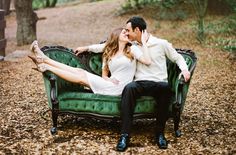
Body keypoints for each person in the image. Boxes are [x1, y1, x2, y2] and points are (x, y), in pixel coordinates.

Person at [75, 16, 190, 151]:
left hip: (159, 83)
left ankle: (160, 134)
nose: (127, 33)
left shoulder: (161, 43)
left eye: (128, 30)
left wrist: (185, 70)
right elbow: (106, 46)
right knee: (129, 88)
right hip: (139, 84)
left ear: (137, 30)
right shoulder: (132, 46)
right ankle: (124, 135)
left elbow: (177, 57)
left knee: (165, 89)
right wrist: (86, 47)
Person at [28, 28, 151, 96]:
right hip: (110, 83)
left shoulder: (132, 49)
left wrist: (144, 42)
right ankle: (44, 60)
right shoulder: (110, 51)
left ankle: (45, 65)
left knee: (81, 77)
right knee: (79, 71)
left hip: (120, 88)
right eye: (124, 32)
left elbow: (147, 61)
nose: (127, 34)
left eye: (127, 33)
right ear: (116, 36)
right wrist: (106, 77)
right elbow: (100, 51)